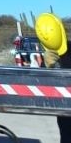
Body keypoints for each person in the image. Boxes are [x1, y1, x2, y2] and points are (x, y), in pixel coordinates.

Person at [36, 12, 71, 143]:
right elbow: (43, 84)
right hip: (65, 118)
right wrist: (46, 65)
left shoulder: (55, 55)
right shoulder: (50, 57)